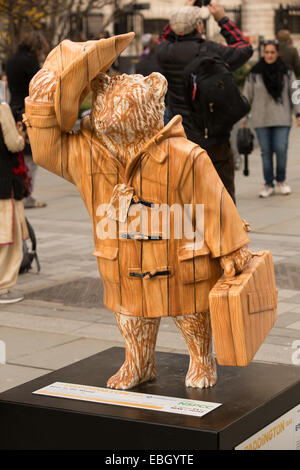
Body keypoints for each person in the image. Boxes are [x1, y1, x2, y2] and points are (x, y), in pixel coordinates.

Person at [23, 34, 252, 390]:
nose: (113, 88)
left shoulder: (183, 156)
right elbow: (45, 149)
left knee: (190, 312)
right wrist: (41, 97)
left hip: (178, 254)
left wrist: (232, 246)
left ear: (152, 102)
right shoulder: (88, 153)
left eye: (124, 89)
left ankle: (201, 358)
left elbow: (214, 202)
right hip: (123, 255)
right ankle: (138, 361)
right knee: (131, 315)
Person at [156, 1, 253, 203]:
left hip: (181, 137)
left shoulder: (164, 52)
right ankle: (224, 230)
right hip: (213, 136)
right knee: (222, 196)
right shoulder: (210, 50)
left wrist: (184, 8)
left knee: (189, 196)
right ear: (199, 26)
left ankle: (196, 232)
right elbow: (244, 49)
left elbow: (163, 37)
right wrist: (221, 18)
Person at [243, 40, 300, 198]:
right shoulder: (254, 73)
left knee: (281, 150)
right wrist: (243, 116)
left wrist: (298, 113)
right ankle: (268, 183)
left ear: (278, 53)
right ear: (263, 53)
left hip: (282, 118)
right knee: (266, 152)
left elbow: (295, 92)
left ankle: (281, 180)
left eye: (272, 52)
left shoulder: (287, 72)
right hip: (261, 120)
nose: (269, 55)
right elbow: (247, 96)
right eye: (266, 52)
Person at [6, 31, 49, 209]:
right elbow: (40, 84)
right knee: (31, 157)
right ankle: (26, 195)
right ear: (37, 48)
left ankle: (17, 192)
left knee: (17, 156)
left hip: (12, 109)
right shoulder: (29, 61)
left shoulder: (12, 59)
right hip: (27, 111)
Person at [0, 94, 27, 304]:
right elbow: (14, 143)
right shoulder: (2, 108)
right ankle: (2, 287)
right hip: (4, 180)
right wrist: (21, 136)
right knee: (7, 237)